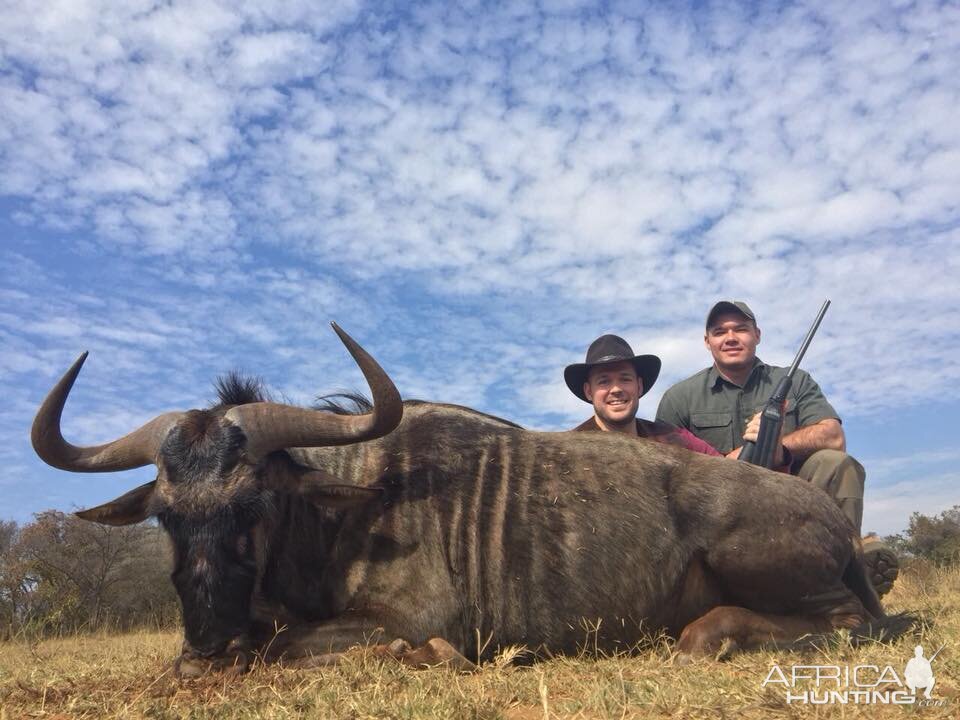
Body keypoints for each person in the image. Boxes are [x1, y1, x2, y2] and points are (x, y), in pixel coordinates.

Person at [655, 300, 899, 595]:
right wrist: (727, 464)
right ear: (707, 342)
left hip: (793, 501)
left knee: (837, 464)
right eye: (719, 332)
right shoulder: (679, 398)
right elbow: (665, 471)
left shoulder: (796, 381)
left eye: (741, 329)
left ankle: (850, 569)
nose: (731, 338)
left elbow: (833, 436)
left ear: (757, 334)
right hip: (720, 513)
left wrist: (780, 449)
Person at [564, 333, 731, 457]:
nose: (615, 389)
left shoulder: (674, 439)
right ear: (588, 391)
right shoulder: (567, 450)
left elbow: (722, 470)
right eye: (604, 381)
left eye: (625, 379)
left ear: (639, 386)